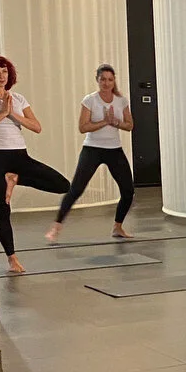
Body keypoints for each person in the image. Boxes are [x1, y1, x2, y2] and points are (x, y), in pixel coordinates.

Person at [0, 55, 70, 274]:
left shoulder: (18, 99)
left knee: (62, 184)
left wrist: (12, 113)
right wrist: (2, 113)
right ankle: (12, 259)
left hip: (19, 155)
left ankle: (15, 177)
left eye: (4, 71)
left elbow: (36, 126)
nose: (1, 76)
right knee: (3, 209)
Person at [46, 64, 135, 243]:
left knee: (128, 191)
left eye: (110, 80)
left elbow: (129, 125)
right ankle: (56, 226)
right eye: (103, 79)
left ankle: (118, 226)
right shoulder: (90, 100)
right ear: (97, 80)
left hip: (114, 150)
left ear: (114, 81)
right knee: (76, 189)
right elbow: (83, 127)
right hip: (92, 149)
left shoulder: (121, 101)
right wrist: (104, 121)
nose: (106, 83)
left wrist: (116, 123)